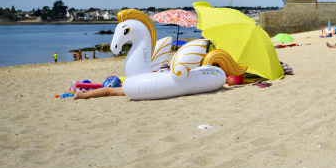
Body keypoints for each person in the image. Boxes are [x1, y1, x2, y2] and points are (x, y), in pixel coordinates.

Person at [74, 75, 241, 100]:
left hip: (145, 83)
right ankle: (83, 94)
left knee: (114, 91)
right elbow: (228, 84)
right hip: (147, 84)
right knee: (114, 91)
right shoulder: (221, 82)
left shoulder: (218, 81)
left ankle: (83, 94)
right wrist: (229, 84)